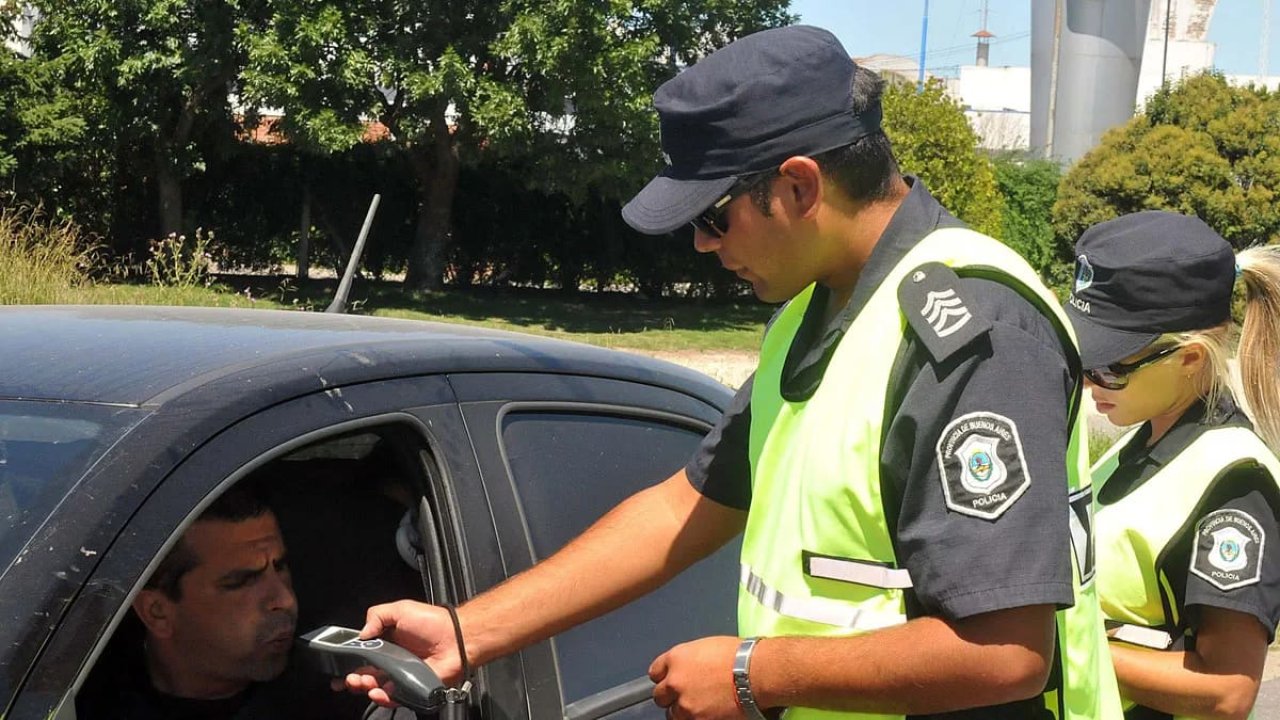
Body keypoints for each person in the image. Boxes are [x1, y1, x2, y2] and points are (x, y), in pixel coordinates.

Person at [346, 25, 1121, 719]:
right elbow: (686, 507)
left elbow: (1004, 653)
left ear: (798, 185)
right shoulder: (818, 309)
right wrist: (465, 631)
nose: (702, 246)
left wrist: (756, 672)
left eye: (712, 216)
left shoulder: (972, 334)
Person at [1063, 211, 1280, 719]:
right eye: (1082, 359)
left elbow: (1227, 692)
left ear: (1190, 357)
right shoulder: (1132, 447)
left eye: (1112, 367)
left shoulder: (1234, 483)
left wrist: (1060, 643)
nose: (1092, 382)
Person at [78, 482, 301, 719]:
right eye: (242, 581)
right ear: (157, 612)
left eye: (280, 566)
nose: (285, 599)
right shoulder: (81, 701)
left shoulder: (327, 692)